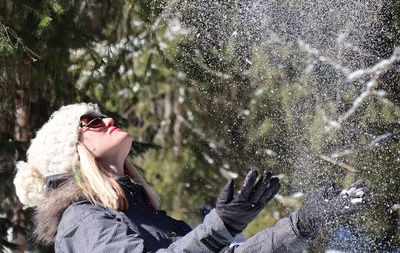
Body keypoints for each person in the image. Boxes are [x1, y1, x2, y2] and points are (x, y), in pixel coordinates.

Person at [14, 103, 372, 252]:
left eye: (102, 115)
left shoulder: (141, 213)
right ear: (72, 152)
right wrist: (219, 227)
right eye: (90, 121)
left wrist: (301, 224)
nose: (106, 120)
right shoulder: (81, 220)